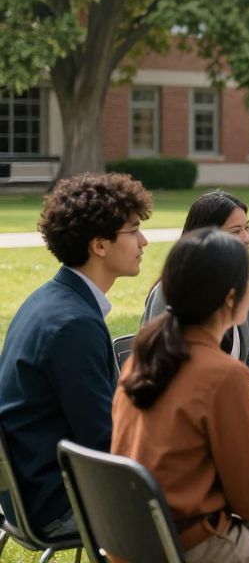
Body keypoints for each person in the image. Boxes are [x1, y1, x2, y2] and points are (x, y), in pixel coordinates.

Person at [114, 228, 249, 563]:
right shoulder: (224, 375)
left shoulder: (144, 357)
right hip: (191, 547)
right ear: (231, 297)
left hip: (131, 542)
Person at [0, 173, 151, 536]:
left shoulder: (49, 300)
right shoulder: (72, 324)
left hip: (33, 490)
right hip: (59, 501)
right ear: (99, 245)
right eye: (133, 231)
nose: (144, 241)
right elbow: (104, 441)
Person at [141, 190, 249, 450]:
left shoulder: (240, 286)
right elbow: (169, 372)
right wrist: (247, 390)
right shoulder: (173, 291)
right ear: (207, 238)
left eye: (247, 227)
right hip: (194, 406)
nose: (247, 238)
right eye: (235, 232)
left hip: (232, 398)